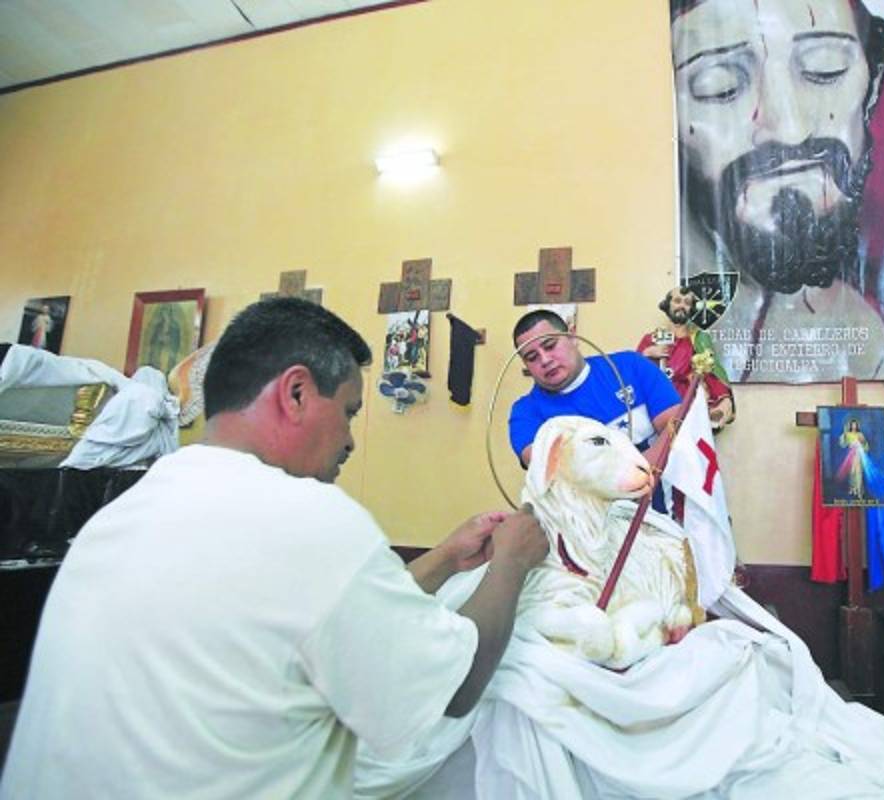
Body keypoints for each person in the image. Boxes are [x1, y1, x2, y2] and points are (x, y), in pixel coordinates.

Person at [0, 297, 547, 799]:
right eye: (350, 412)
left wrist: (448, 556)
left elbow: (318, 616)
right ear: (297, 392)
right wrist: (514, 560)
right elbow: (457, 685)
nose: (351, 440)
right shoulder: (310, 521)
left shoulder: (125, 513)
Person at [671, 0, 884, 383]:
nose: (789, 127)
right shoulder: (671, 339)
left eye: (825, 68)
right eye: (720, 86)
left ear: (873, 82)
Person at [508, 309, 680, 469]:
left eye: (550, 346)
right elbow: (546, 467)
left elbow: (674, 425)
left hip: (660, 492)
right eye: (532, 357)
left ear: (572, 336)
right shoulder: (526, 412)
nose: (545, 360)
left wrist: (639, 473)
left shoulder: (631, 366)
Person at [637, 285, 735, 430]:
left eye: (687, 303)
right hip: (656, 410)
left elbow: (712, 373)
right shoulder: (650, 340)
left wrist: (724, 400)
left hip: (687, 408)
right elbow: (633, 375)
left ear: (692, 309)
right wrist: (647, 354)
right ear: (667, 304)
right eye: (677, 301)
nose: (682, 305)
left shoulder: (698, 340)